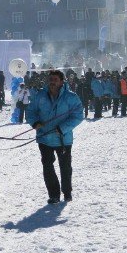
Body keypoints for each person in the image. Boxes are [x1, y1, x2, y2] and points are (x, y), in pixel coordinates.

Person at [25, 70, 84, 204]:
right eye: (50, 79)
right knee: (47, 167)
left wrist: (62, 128)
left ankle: (67, 192)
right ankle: (54, 195)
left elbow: (78, 116)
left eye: (55, 79)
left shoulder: (71, 97)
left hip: (63, 139)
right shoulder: (40, 95)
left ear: (62, 82)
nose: (52, 82)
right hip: (44, 138)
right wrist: (34, 122)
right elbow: (31, 111)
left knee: (65, 167)